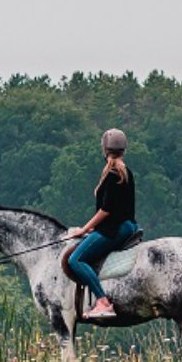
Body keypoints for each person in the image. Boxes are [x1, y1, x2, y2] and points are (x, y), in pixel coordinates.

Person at [64, 129, 139, 322]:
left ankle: (102, 301)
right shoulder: (125, 171)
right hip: (126, 225)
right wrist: (92, 229)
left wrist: (83, 229)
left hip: (114, 229)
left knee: (75, 260)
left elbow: (106, 210)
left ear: (105, 150)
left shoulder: (113, 173)